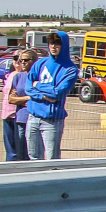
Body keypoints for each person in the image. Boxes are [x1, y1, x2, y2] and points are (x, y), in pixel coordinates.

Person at [25, 29, 78, 159]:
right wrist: (42, 96)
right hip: (33, 117)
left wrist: (37, 85)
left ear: (64, 45)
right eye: (51, 43)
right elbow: (28, 87)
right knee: (33, 157)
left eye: (57, 44)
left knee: (52, 159)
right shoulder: (40, 63)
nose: (53, 47)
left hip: (52, 120)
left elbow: (58, 93)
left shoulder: (70, 69)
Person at [1, 48, 36, 160]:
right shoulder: (18, 77)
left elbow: (41, 96)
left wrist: (21, 99)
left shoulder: (39, 77)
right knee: (20, 153)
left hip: (35, 118)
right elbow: (11, 99)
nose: (23, 63)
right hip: (20, 118)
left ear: (34, 61)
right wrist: (28, 98)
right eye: (21, 60)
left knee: (33, 153)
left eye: (26, 60)